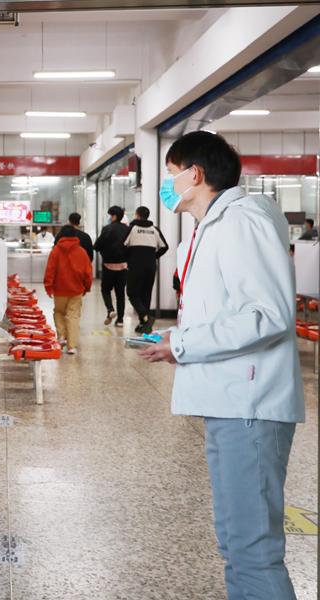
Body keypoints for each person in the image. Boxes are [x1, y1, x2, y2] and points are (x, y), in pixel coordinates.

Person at [140, 131, 304, 600]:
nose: (166, 185)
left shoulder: (240, 222)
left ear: (194, 174)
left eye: (171, 174)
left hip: (250, 404)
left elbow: (267, 315)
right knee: (236, 543)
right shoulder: (213, 225)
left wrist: (184, 344)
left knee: (252, 551)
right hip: (231, 402)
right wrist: (180, 342)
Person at [43, 231, 92, 355]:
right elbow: (88, 272)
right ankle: (72, 346)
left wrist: (48, 286)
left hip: (59, 290)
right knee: (73, 316)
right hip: (76, 290)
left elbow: (50, 270)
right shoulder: (81, 252)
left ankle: (61, 336)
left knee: (59, 312)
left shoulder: (55, 251)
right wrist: (87, 287)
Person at [123, 206, 168, 333]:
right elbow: (165, 246)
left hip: (135, 266)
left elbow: (122, 244)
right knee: (145, 294)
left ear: (137, 215)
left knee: (132, 293)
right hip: (150, 267)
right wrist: (153, 256)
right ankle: (144, 325)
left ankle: (146, 317)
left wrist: (129, 257)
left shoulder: (132, 228)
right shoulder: (154, 229)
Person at [94, 205, 129, 327]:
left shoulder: (107, 229)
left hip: (108, 265)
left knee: (105, 290)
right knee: (120, 294)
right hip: (123, 266)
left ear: (114, 216)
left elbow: (97, 245)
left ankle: (110, 309)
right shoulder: (127, 229)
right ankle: (120, 320)